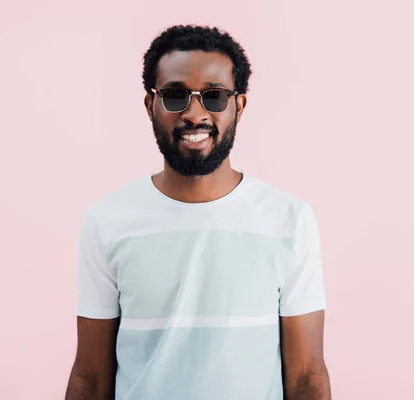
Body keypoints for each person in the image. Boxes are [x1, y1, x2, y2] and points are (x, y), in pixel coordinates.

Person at [65, 24, 331, 400]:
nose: (194, 113)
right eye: (175, 95)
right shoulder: (108, 221)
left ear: (238, 105)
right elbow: (90, 378)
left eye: (214, 96)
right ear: (149, 105)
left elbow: (305, 378)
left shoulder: (289, 220)